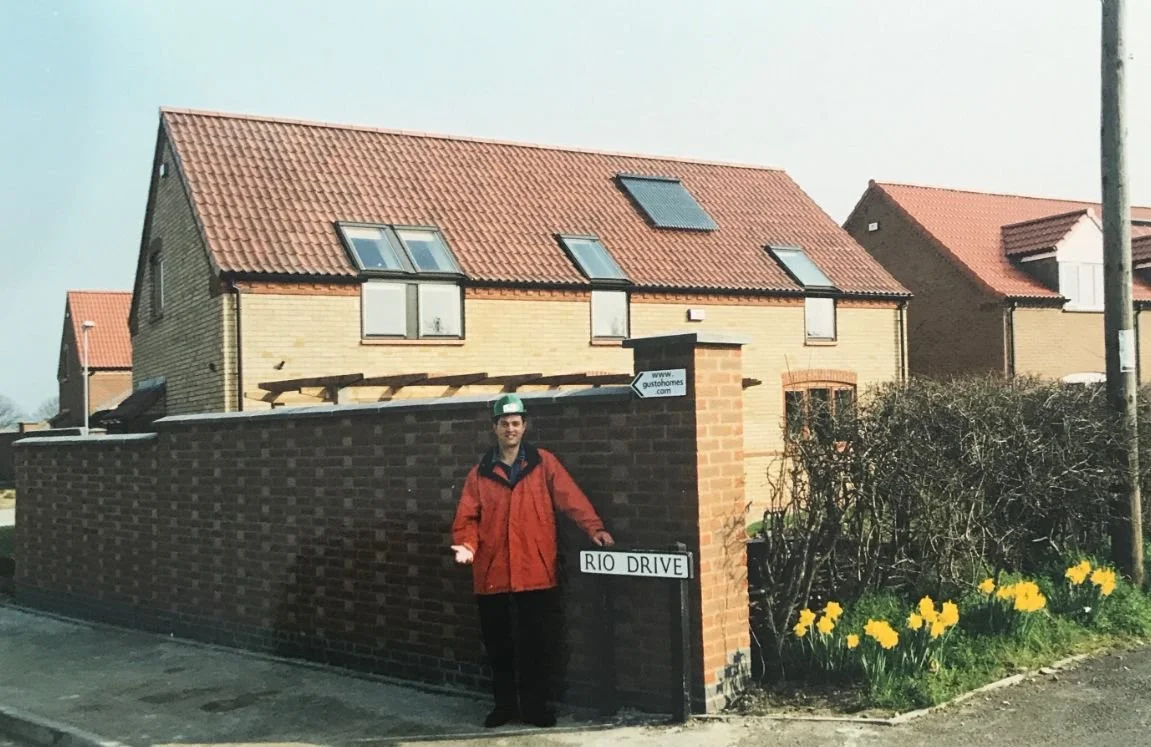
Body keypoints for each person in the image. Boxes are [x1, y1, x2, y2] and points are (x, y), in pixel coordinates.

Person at [451, 393, 615, 728]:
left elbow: (572, 500)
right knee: (499, 647)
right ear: (494, 428)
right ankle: (505, 707)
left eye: (515, 423)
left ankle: (536, 708)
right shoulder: (479, 474)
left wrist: (594, 528)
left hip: (536, 572)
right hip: (492, 574)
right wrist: (466, 545)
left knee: (536, 646)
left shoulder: (544, 464)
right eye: (504, 423)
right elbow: (467, 519)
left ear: (524, 426)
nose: (510, 429)